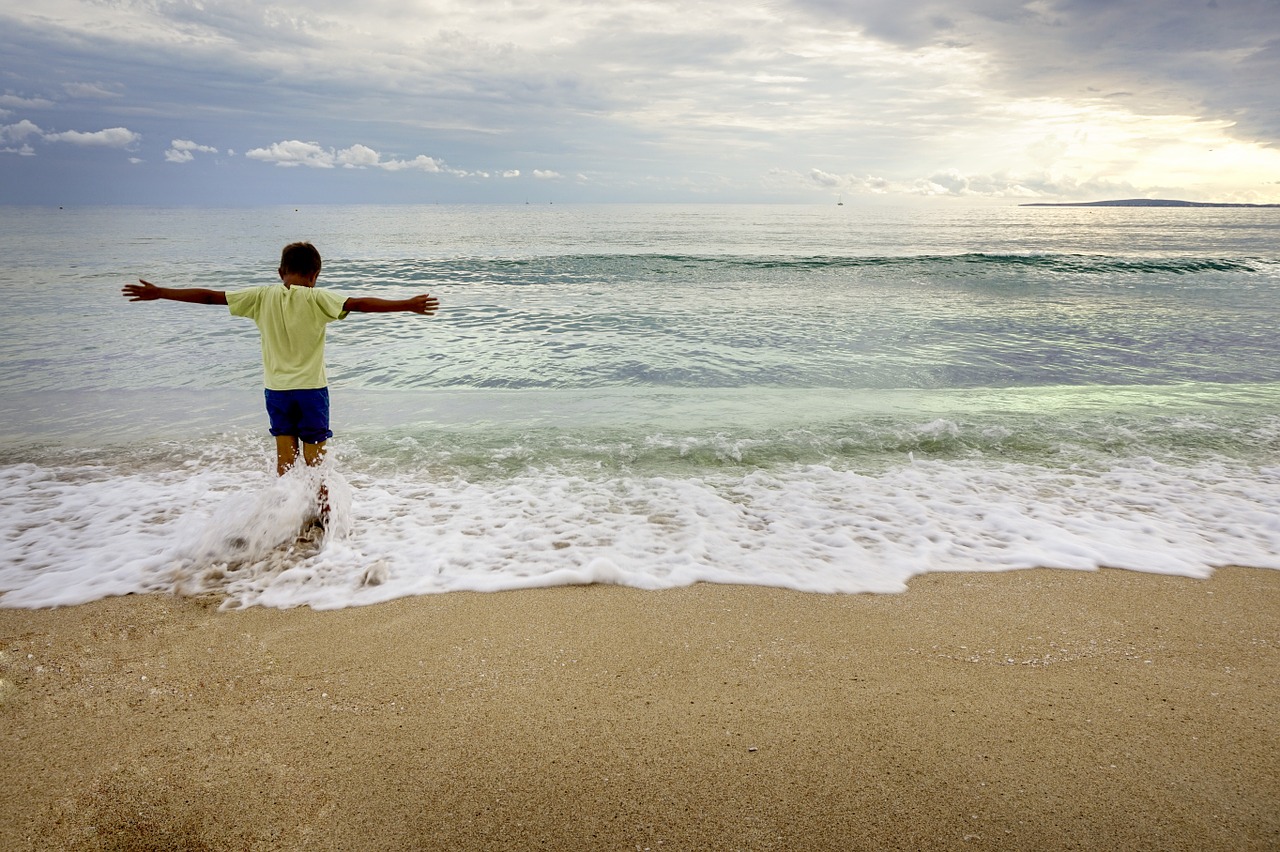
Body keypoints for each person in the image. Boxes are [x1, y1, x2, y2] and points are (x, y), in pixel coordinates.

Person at [122, 241, 439, 481]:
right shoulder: (318, 298)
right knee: (316, 463)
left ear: (280, 273)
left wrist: (161, 292)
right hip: (312, 391)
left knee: (285, 462)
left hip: (277, 392)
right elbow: (358, 304)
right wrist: (406, 305)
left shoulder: (261, 296)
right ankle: (321, 520)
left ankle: (285, 519)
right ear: (315, 275)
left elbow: (210, 297)